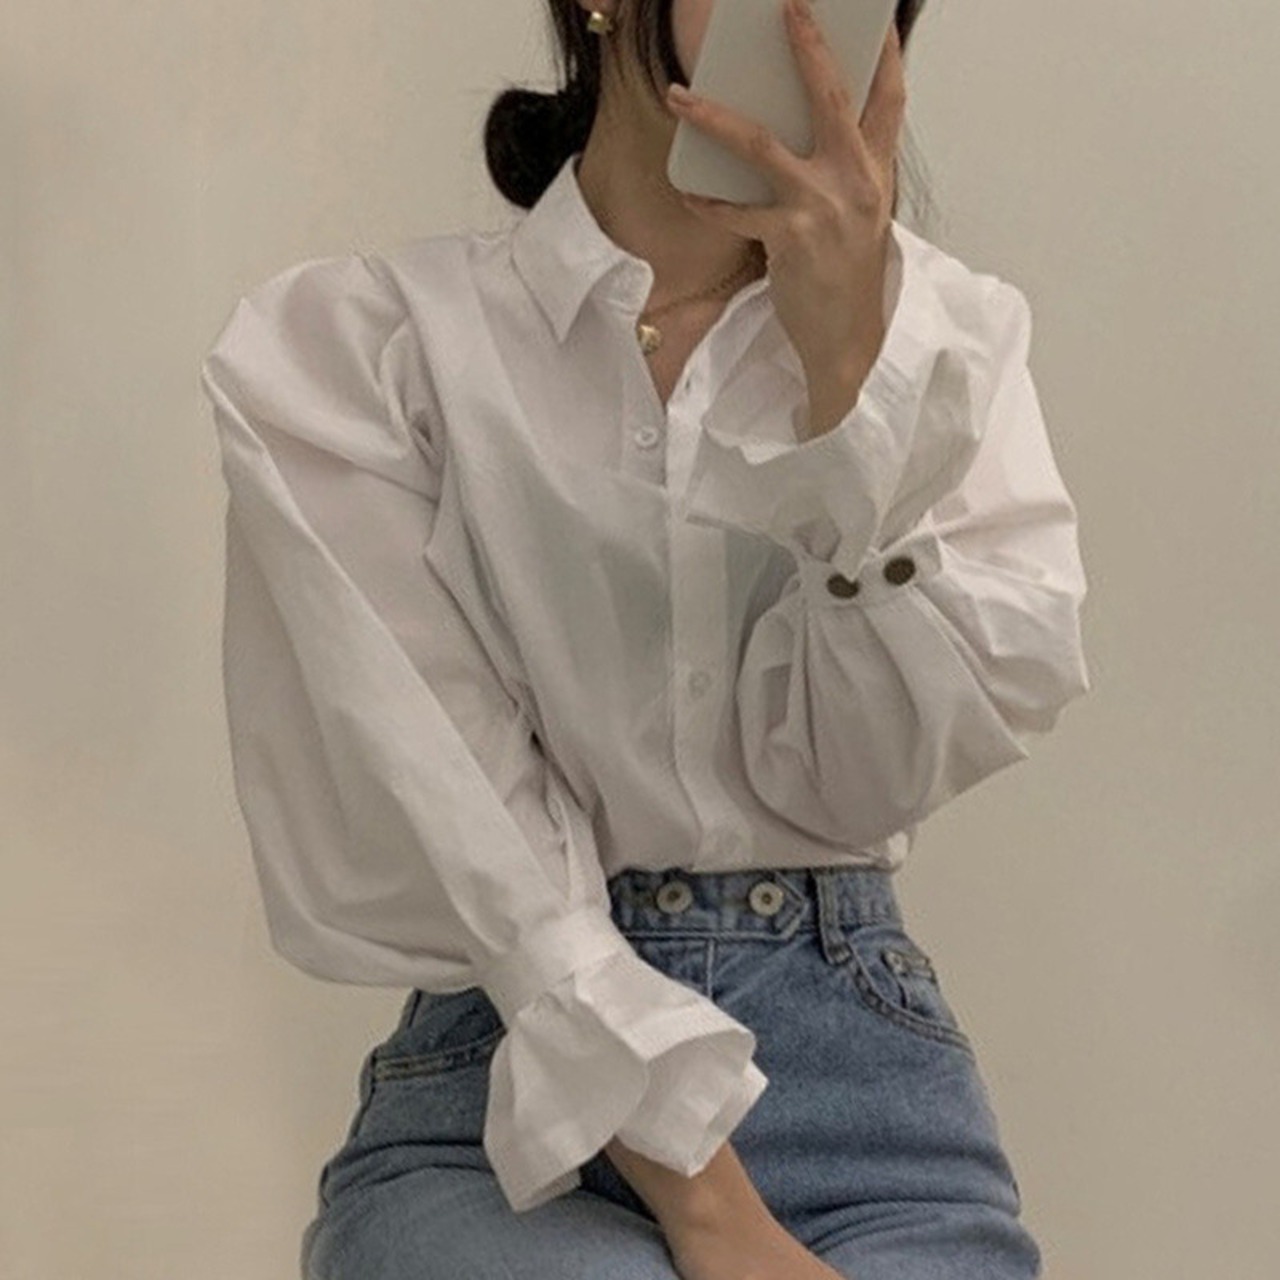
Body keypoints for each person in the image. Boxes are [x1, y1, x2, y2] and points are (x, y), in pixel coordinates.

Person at [198, 1, 1090, 1276]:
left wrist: (851, 398)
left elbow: (861, 781)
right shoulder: (367, 351)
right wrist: (710, 1206)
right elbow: (460, 815)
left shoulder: (947, 348)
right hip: (504, 1095)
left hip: (868, 1093)